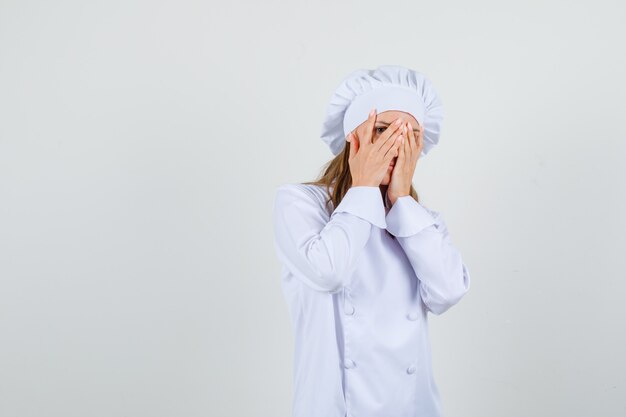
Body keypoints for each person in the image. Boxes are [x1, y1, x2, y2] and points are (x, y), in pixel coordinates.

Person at [271, 65, 471, 417]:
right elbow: (329, 272)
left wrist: (402, 202)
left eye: (408, 136)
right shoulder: (300, 204)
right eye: (382, 130)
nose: (396, 146)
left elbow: (448, 292)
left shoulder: (419, 222)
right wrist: (363, 187)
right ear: (354, 137)